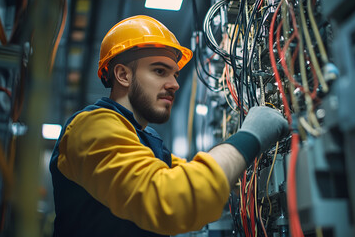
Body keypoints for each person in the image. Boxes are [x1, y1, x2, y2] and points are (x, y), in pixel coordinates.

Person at [49, 15, 289, 237]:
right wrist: (251, 136)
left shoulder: (145, 140)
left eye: (174, 74)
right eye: (160, 71)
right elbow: (174, 199)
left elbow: (195, 180)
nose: (174, 84)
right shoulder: (91, 127)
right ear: (123, 75)